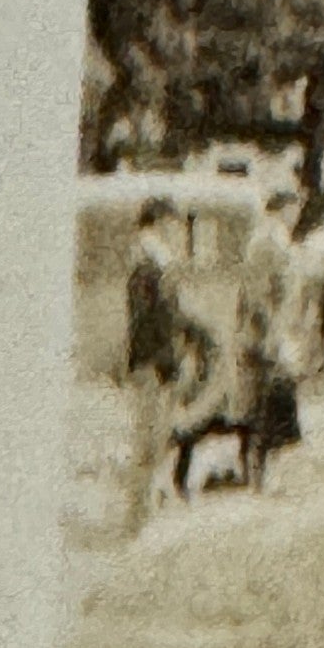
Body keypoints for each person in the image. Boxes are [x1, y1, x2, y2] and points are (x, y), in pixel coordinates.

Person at [123, 197, 190, 530]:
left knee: (155, 432)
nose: (175, 230)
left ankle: (148, 502)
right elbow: (155, 319)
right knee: (150, 434)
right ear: (158, 223)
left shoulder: (154, 262)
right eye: (170, 224)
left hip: (155, 357)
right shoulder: (149, 264)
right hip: (154, 358)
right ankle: (139, 511)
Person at [234, 189, 306, 490]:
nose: (296, 214)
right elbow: (262, 296)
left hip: (276, 334)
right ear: (280, 208)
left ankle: (261, 473)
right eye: (293, 208)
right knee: (267, 407)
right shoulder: (268, 242)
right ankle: (258, 475)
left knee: (272, 406)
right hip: (268, 338)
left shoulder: (274, 240)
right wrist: (273, 336)